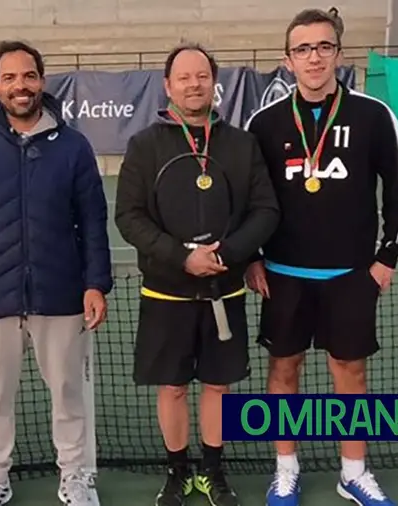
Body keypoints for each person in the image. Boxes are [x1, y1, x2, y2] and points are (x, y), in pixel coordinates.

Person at [244, 9, 398, 506]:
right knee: (283, 372)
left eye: (323, 47)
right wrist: (253, 256)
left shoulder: (373, 116)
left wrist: (389, 255)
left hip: (350, 276)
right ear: (288, 60)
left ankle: (354, 471)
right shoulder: (264, 122)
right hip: (282, 276)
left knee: (351, 374)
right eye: (303, 49)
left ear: (339, 55)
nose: (314, 57)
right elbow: (247, 198)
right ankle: (286, 469)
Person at [0, 40, 112, 506]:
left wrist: (96, 283)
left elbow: (93, 220)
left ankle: (75, 477)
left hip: (62, 295)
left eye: (29, 76)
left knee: (68, 394)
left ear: (42, 80)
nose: (21, 85)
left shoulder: (73, 147)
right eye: (10, 77)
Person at [115, 43, 279, 506]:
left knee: (218, 385)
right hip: (166, 292)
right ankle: (177, 471)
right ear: (168, 86)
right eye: (184, 77)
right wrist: (181, 257)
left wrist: (229, 253)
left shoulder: (241, 145)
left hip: (224, 290)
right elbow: (129, 217)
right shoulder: (144, 146)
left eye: (202, 76)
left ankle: (212, 471)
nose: (194, 84)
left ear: (214, 82)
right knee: (171, 387)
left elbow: (265, 210)